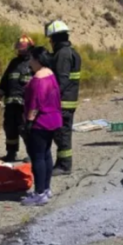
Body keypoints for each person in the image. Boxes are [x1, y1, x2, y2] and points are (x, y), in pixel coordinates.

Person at [21, 46, 62, 206]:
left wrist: (29, 121)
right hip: (53, 119)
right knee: (46, 154)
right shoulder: (50, 73)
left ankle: (39, 194)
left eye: (31, 58)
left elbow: (35, 103)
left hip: (41, 122)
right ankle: (46, 189)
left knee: (37, 156)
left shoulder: (38, 78)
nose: (30, 62)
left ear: (38, 60)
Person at [44, 20, 81, 176]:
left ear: (55, 38)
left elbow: (61, 80)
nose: (50, 42)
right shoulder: (69, 52)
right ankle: (62, 163)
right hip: (67, 101)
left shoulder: (63, 54)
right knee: (61, 133)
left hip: (63, 102)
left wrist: (49, 99)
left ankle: (64, 166)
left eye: (50, 39)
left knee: (62, 134)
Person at [0, 35, 34, 162]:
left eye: (23, 49)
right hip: (11, 103)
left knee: (25, 128)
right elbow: (5, 79)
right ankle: (11, 153)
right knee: (10, 128)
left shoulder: (33, 63)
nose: (20, 52)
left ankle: (32, 153)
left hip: (25, 105)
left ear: (29, 48)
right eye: (19, 49)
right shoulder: (14, 63)